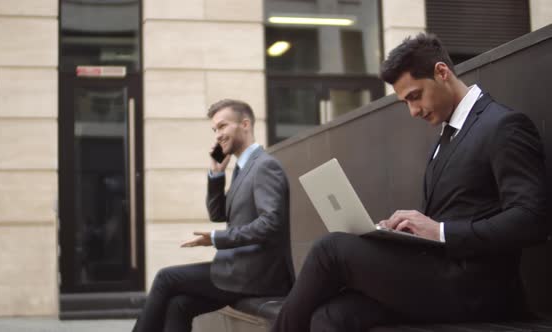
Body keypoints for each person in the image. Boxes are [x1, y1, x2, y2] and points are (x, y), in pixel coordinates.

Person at [271, 33, 547, 332]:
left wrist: (440, 231)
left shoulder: (504, 125)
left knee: (330, 249)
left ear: (442, 72)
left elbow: (532, 220)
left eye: (415, 96)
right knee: (330, 317)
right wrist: (403, 233)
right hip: (439, 275)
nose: (413, 111)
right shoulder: (447, 135)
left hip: (478, 288)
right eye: (406, 102)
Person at [132, 99, 293, 332]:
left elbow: (271, 223)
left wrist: (217, 239)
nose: (218, 134)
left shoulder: (265, 166)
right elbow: (218, 213)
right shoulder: (243, 169)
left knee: (165, 278)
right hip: (238, 270)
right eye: (215, 129)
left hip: (256, 275)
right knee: (179, 305)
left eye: (223, 126)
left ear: (245, 124)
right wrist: (216, 175)